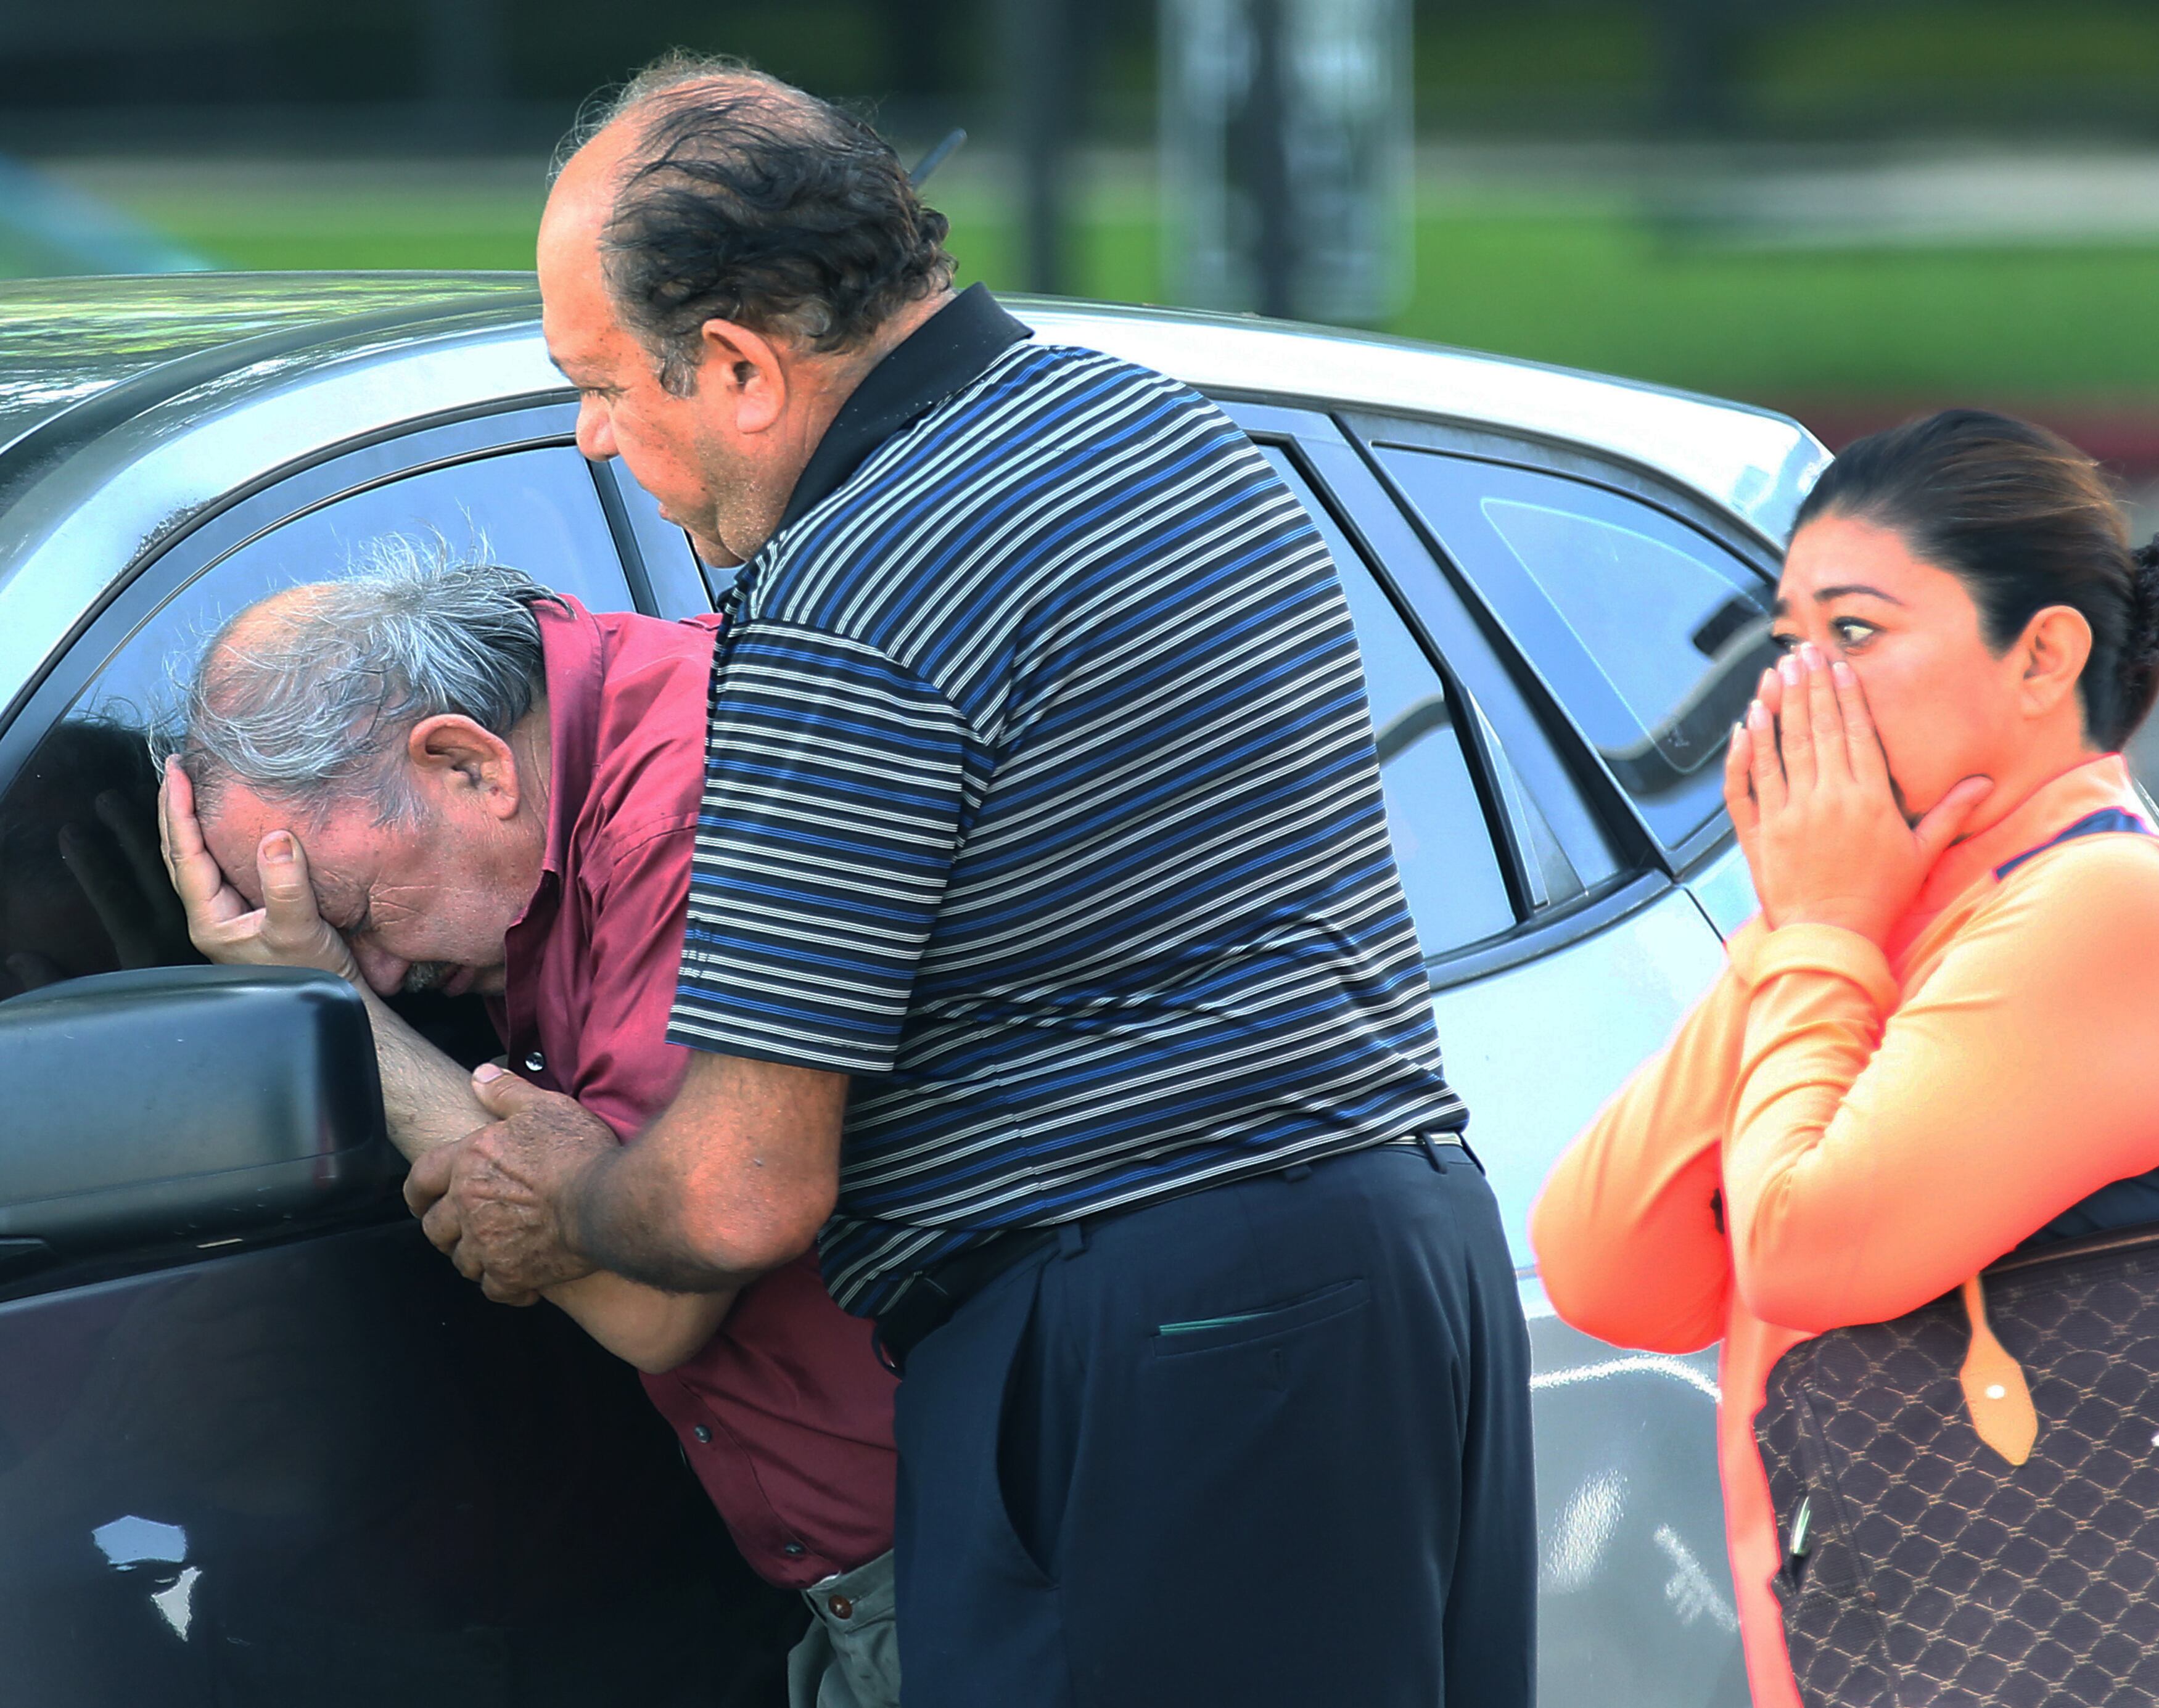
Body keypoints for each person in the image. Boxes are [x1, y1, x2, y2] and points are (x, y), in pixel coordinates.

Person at [403, 51, 1534, 1708]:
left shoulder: (853, 593)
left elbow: (738, 1191)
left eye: (598, 380)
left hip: (1145, 1338)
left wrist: (559, 1194)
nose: (588, 439)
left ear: (735, 366)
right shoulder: (1160, 431)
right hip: (1408, 1266)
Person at [1530, 408, 2159, 1708]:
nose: (1799, 689)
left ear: (2043, 656)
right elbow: (1608, 1266)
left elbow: (1813, 1254)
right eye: (1789, 643)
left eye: (1854, 634)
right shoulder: (1881, 913)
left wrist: (1816, 926)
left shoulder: (2106, 906)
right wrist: (1793, 926)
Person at [157, 552, 903, 1707]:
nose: (392, 975)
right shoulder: (568, 765)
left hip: (956, 1551)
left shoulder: (679, 809)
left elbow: (660, 1298)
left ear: (466, 763)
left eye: (353, 917)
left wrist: (328, 1001)